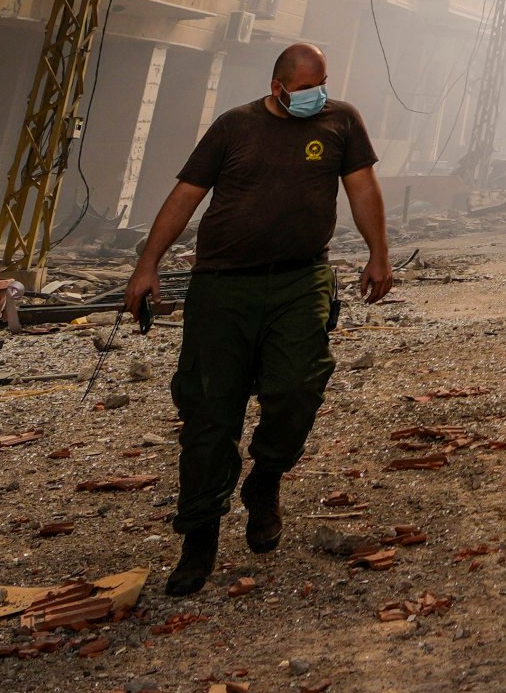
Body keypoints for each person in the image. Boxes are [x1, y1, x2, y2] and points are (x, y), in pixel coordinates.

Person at [123, 41, 395, 594]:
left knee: (298, 388)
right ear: (278, 88)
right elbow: (185, 197)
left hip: (301, 279)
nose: (317, 96)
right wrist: (146, 265)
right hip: (222, 288)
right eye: (305, 88)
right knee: (208, 416)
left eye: (322, 83)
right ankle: (199, 538)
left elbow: (363, 188)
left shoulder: (341, 122)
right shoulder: (234, 127)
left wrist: (379, 253)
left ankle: (265, 478)